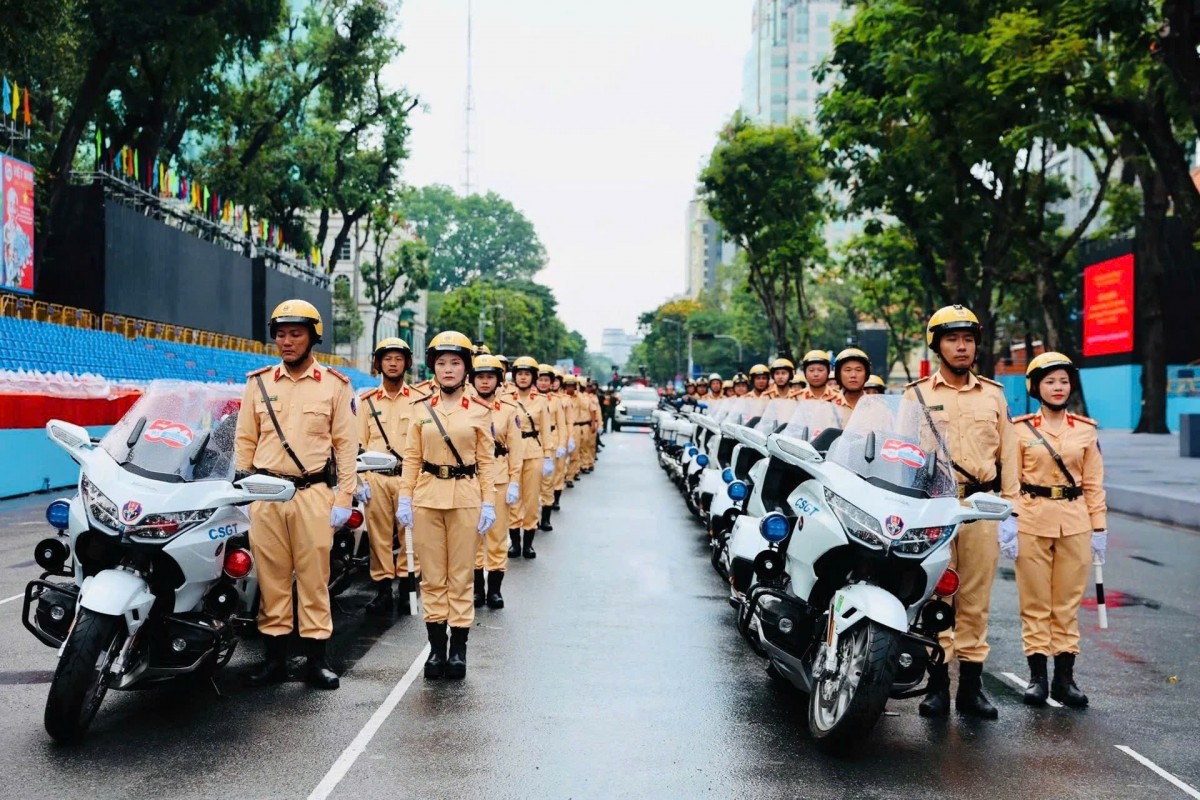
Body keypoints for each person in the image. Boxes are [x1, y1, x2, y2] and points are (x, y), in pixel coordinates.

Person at [234, 299, 358, 690]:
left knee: (313, 579)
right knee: (270, 579)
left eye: (295, 334)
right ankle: (274, 660)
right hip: (267, 494)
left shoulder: (335, 386)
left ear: (312, 337)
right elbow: (244, 439)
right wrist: (242, 490)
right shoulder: (258, 382)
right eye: (281, 334)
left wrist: (344, 499)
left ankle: (317, 661)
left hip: (313, 494)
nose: (286, 342)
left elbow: (346, 447)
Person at [904, 305, 1019, 719]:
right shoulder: (916, 394)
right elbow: (901, 454)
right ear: (937, 345)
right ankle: (937, 686)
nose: (962, 346)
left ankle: (971, 688)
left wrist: (1012, 511)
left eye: (968, 339)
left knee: (975, 599)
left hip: (981, 507)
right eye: (953, 339)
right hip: (934, 507)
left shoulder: (993, 394)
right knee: (937, 596)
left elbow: (1009, 455)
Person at [395, 331, 496, 680]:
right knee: (433, 577)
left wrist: (489, 503)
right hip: (426, 497)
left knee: (460, 576)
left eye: (455, 363)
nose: (448, 369)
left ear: (466, 368)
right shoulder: (420, 409)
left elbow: (487, 461)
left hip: (467, 498)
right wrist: (404, 496)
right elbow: (411, 457)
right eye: (442, 363)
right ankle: (437, 649)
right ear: (433, 368)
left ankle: (459, 650)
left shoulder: (481, 411)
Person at [1008, 353, 1107, 708]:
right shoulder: (1020, 429)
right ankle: (1038, 678)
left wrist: (1099, 527)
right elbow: (1010, 480)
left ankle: (1065, 680)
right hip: (1032, 519)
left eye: (1063, 381)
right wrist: (1009, 519)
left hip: (1076, 520)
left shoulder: (1085, 429)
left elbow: (1094, 483)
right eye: (1050, 381)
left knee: (1066, 602)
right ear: (1036, 387)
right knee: (1035, 602)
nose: (1058, 387)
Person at [358, 338, 424, 617]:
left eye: (399, 358)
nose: (393, 363)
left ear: (407, 363)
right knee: (379, 537)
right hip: (377, 478)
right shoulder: (367, 402)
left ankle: (410, 585)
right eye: (387, 359)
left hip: (411, 476)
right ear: (378, 363)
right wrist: (358, 483)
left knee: (411, 533)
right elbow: (357, 445)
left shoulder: (420, 401)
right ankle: (383, 590)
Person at [470, 354, 523, 610]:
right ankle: (477, 590)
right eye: (480, 376)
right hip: (469, 480)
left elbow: (516, 449)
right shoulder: (463, 407)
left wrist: (515, 481)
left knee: (496, 536)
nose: (485, 382)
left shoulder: (509, 411)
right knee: (473, 537)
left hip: (499, 478)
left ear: (498, 380)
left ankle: (495, 590)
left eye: (490, 377)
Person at [508, 357, 555, 558]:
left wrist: (548, 456)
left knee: (531, 500)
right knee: (512, 500)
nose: (523, 378)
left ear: (533, 377)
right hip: (512, 454)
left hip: (534, 453)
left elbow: (546, 430)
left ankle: (528, 543)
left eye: (527, 374)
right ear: (515, 376)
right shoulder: (506, 399)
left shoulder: (541, 402)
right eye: (520, 374)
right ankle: (515, 544)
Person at [537, 364, 569, 530]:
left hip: (552, 442)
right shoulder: (526, 399)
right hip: (533, 443)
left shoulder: (556, 401)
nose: (543, 383)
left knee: (548, 481)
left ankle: (546, 518)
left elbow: (562, 425)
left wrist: (563, 444)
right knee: (531, 485)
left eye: (546, 380)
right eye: (540, 379)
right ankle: (531, 518)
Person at [833, 348, 871, 416]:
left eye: (858, 370)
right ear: (838, 374)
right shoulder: (829, 405)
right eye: (848, 370)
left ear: (866, 374)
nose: (853, 375)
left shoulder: (876, 407)